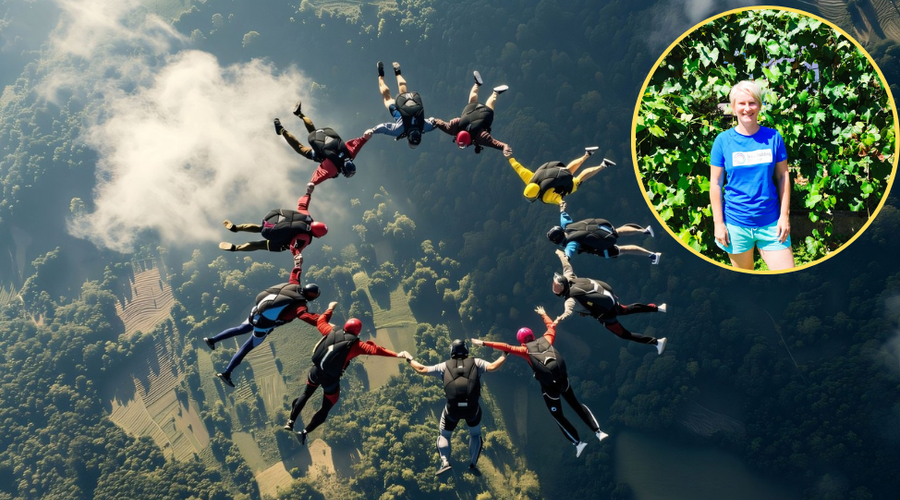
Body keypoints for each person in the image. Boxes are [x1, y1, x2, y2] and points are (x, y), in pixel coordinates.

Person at [471, 306, 608, 457]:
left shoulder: (525, 351)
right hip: (564, 382)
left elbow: (506, 347)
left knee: (558, 416)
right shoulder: (547, 339)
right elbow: (551, 326)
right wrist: (543, 314)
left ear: (522, 341)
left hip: (550, 390)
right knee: (577, 405)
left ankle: (578, 443)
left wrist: (482, 342)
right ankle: (598, 431)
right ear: (532, 335)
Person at [285, 304, 410, 444]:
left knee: (305, 394)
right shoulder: (355, 345)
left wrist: (330, 308)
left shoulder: (331, 331)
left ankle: (290, 421)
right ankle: (304, 433)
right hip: (330, 380)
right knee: (326, 407)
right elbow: (377, 350)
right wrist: (398, 355)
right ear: (358, 331)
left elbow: (321, 320)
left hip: (315, 371)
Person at [710, 80, 794, 270]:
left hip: (772, 223)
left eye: (752, 102)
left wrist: (784, 216)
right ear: (733, 107)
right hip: (736, 226)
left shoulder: (773, 137)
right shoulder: (722, 141)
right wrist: (718, 223)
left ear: (760, 105)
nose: (747, 108)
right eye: (741, 103)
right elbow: (715, 183)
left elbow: (783, 177)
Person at [204, 254, 322, 388]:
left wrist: (298, 263)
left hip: (255, 312)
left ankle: (212, 340)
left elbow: (295, 274)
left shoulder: (293, 286)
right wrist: (323, 321)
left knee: (240, 329)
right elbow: (306, 317)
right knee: (245, 348)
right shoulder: (299, 305)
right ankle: (226, 373)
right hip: (263, 326)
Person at [402, 339, 506, 475]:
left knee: (444, 435)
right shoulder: (477, 362)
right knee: (475, 434)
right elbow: (493, 367)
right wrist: (505, 355)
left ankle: (445, 461)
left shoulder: (444, 366)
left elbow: (422, 369)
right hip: (472, 410)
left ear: (452, 351)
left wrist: (409, 358)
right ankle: (473, 463)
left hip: (452, 411)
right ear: (466, 350)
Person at [552, 249, 668, 354]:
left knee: (624, 334)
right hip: (610, 301)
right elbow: (566, 265)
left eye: (557, 287)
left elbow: (568, 312)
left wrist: (559, 319)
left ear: (564, 288)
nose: (555, 289)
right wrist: (560, 254)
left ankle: (657, 342)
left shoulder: (570, 300)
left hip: (605, 315)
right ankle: (658, 308)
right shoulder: (570, 277)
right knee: (625, 309)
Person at [274, 100, 374, 184]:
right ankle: (281, 130)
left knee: (313, 130)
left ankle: (300, 114)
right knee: (300, 148)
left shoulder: (351, 153)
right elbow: (320, 175)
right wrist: (312, 183)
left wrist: (366, 137)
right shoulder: (333, 169)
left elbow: (359, 143)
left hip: (325, 133)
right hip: (318, 146)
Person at [218, 182, 327, 253]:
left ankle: (235, 228)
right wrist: (297, 258)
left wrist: (308, 193)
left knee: (261, 228)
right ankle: (235, 248)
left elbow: (302, 204)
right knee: (258, 245)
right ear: (316, 235)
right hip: (276, 239)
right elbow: (295, 247)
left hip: (272, 220)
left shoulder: (306, 217)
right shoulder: (306, 237)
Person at [547, 200, 660, 264]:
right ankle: (644, 231)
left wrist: (564, 258)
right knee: (617, 231)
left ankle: (652, 255)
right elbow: (563, 213)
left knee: (623, 250)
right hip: (600, 226)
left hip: (603, 241)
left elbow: (569, 252)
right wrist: (562, 208)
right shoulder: (566, 226)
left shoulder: (571, 243)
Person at [431, 71, 512, 156]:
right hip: (470, 110)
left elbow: (494, 143)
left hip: (484, 114)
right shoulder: (453, 129)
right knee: (472, 100)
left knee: (490, 105)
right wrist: (434, 121)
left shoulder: (479, 137)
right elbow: (441, 124)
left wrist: (504, 147)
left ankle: (495, 92)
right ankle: (477, 83)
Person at [509, 148, 614, 204]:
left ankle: (602, 165)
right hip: (556, 169)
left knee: (581, 177)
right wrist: (510, 158)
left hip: (565, 183)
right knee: (568, 170)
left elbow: (557, 199)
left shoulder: (545, 197)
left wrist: (561, 204)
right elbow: (519, 168)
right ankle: (587, 154)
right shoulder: (529, 179)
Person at [370, 61, 435, 148]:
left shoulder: (426, 126)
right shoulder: (399, 130)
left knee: (403, 91)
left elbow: (433, 120)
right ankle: (381, 75)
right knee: (387, 98)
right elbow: (384, 128)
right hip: (397, 109)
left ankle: (398, 72)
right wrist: (373, 130)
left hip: (411, 102)